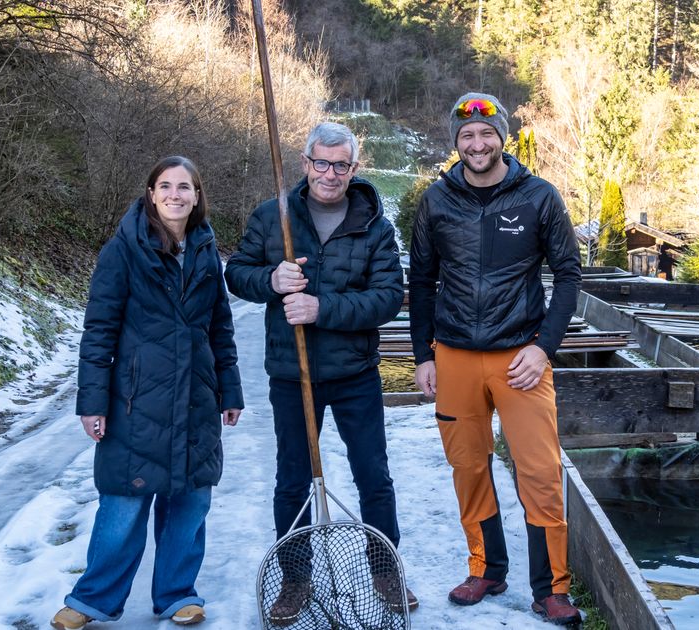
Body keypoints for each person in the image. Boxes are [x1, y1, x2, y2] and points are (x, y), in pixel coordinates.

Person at [224, 122, 415, 625]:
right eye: (322, 163)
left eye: (341, 165)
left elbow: (387, 298)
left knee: (373, 475)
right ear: (306, 163)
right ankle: (295, 578)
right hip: (293, 374)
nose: (330, 174)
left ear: (355, 168)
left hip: (354, 373)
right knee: (291, 480)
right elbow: (236, 273)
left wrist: (320, 307)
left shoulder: (374, 225)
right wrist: (271, 279)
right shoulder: (274, 216)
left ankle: (385, 570)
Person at [408, 93, 583, 626]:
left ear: (502, 138)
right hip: (455, 354)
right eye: (467, 135)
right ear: (456, 142)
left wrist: (543, 347)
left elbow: (568, 275)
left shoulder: (539, 196)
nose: (477, 143)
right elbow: (421, 282)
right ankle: (486, 568)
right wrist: (422, 355)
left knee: (539, 471)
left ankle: (551, 589)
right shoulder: (436, 201)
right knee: (468, 466)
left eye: (487, 134)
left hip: (520, 357)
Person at [51, 156, 244, 630]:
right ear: (151, 194)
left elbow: (219, 326)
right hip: (135, 401)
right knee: (123, 503)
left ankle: (177, 595)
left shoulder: (206, 250)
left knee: (190, 503)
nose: (175, 194)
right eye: (166, 186)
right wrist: (92, 402)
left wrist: (230, 389)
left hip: (196, 398)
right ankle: (91, 600)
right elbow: (99, 330)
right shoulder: (122, 251)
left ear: (197, 196)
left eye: (185, 187)